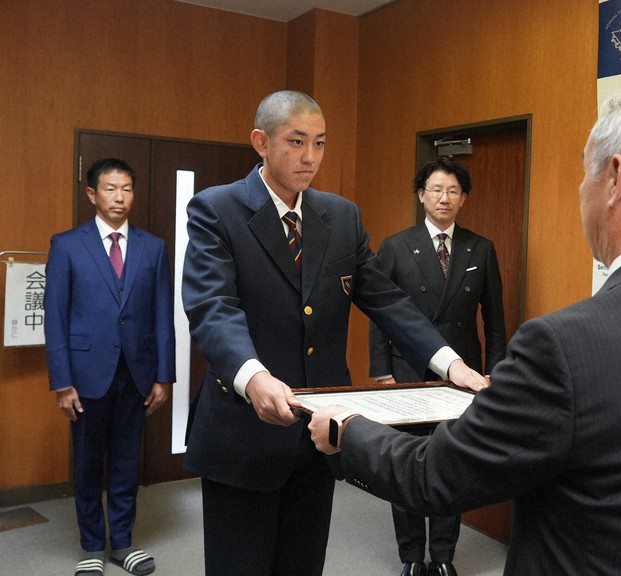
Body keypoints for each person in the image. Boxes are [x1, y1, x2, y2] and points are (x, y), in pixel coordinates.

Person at [308, 86, 621, 575]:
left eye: (585, 173)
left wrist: (348, 429)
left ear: (616, 178)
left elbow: (436, 477)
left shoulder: (565, 346)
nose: (582, 191)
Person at [180, 89, 488, 576]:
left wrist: (451, 364)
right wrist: (253, 376)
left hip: (320, 432)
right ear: (260, 141)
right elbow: (213, 309)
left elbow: (386, 300)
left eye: (320, 143)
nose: (310, 157)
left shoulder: (339, 216)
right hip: (244, 431)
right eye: (296, 141)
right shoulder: (217, 210)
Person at [368, 158, 506, 576]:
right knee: (406, 462)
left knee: (452, 463)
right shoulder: (395, 246)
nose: (444, 198)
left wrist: (494, 372)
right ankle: (411, 556)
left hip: (463, 375)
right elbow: (380, 312)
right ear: (421, 195)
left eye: (453, 191)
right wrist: (380, 371)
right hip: (405, 372)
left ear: (463, 199)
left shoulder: (479, 248)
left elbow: (494, 319)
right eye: (436, 189)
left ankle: (443, 556)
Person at [45, 158, 176, 576]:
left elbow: (162, 316)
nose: (119, 198)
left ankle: (122, 542)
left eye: (126, 189)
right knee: (86, 462)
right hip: (85, 376)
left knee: (125, 461)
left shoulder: (152, 247)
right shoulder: (67, 245)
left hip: (136, 373)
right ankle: (90, 546)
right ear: (92, 194)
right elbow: (55, 318)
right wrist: (62, 382)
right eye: (110, 189)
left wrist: (164, 375)